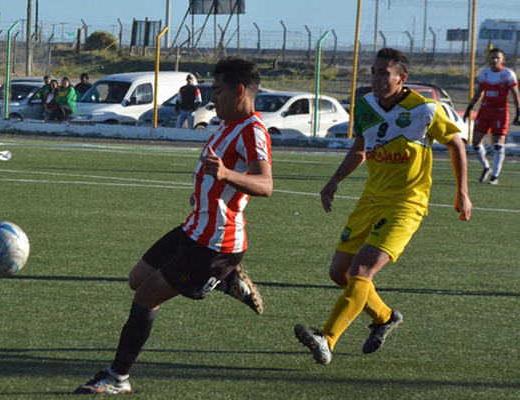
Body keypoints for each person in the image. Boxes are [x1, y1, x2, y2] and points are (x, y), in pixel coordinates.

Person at [74, 57, 272, 395]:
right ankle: (225, 279)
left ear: (240, 91)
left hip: (216, 243)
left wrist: (226, 175)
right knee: (137, 280)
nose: (212, 98)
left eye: (219, 91)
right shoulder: (225, 124)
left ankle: (117, 377)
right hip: (193, 228)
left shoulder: (252, 131)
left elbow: (266, 184)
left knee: (148, 296)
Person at [293, 48, 472, 366]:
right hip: (370, 199)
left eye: (382, 73)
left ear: (401, 78)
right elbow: (359, 149)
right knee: (340, 273)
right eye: (372, 72)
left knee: (363, 269)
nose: (374, 78)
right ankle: (385, 316)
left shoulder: (424, 109)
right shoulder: (364, 107)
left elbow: (456, 143)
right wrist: (334, 180)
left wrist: (462, 193)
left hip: (407, 202)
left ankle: (327, 338)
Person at [463, 48, 520, 185]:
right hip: (484, 111)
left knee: (498, 144)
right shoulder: (485, 73)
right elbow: (478, 93)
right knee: (476, 142)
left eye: (497, 58)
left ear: (503, 60)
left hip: (500, 112)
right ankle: (486, 167)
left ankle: (495, 176)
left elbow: (515, 94)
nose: (494, 60)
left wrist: (518, 112)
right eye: (492, 57)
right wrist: (469, 108)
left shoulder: (508, 74)